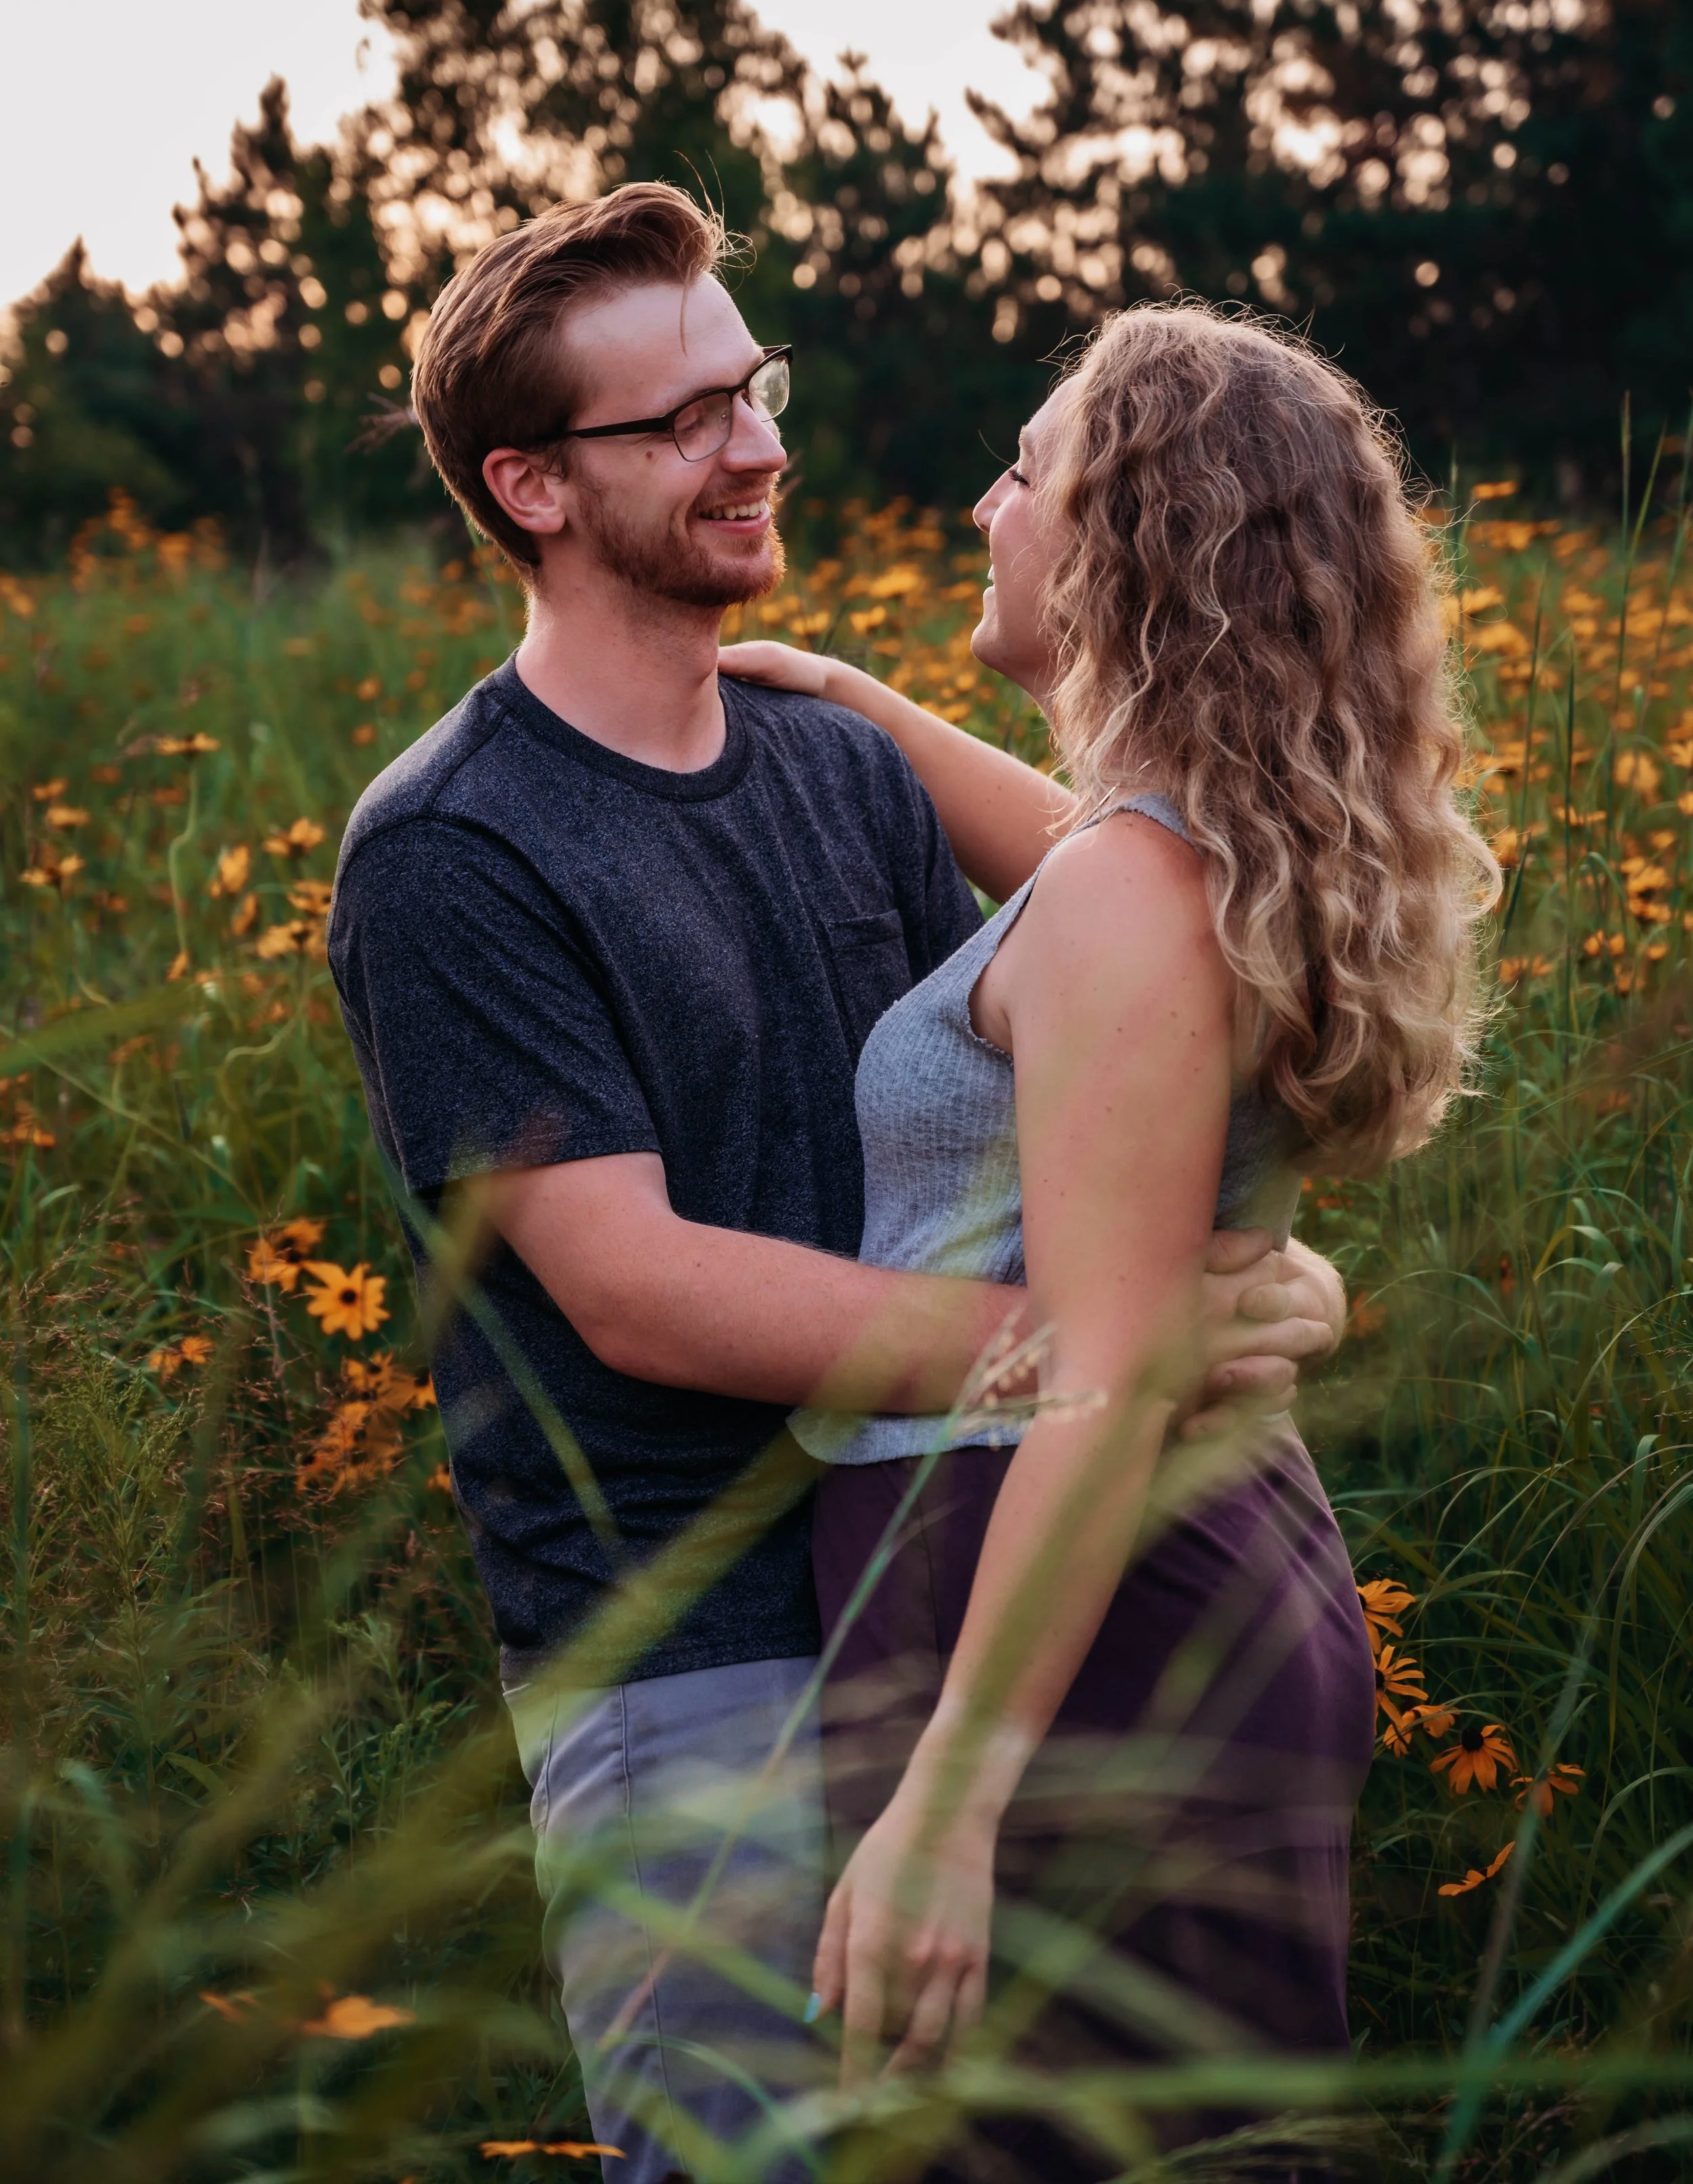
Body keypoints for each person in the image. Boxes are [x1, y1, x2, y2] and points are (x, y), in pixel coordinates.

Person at [326, 187, 1349, 2184]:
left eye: (754, 384)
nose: (762, 441)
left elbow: (1100, 1048)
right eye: (688, 417)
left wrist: (1252, 1268)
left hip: (951, 1586)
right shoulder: (454, 849)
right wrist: (1105, 1350)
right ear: (532, 485)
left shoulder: (839, 765)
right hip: (692, 1642)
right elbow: (631, 1286)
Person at [722, 301, 1496, 2177]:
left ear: (1133, 545)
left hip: (1071, 1608)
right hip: (1134, 1568)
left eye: (1026, 470)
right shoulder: (1159, 855)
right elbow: (1064, 853)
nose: (986, 503)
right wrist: (847, 698)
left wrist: (949, 1797)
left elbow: (1093, 1368)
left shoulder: (1134, 899)